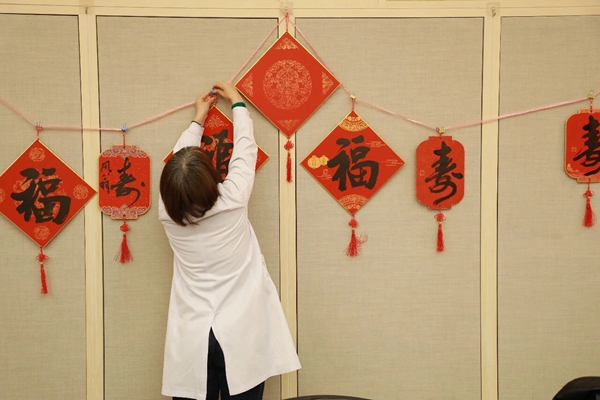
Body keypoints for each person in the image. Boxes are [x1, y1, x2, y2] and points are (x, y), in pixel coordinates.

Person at [158, 81, 301, 400]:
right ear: (212, 179)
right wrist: (237, 102)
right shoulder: (232, 198)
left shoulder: (166, 213)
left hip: (193, 335)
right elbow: (245, 150)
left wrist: (197, 119)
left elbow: (179, 164)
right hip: (241, 332)